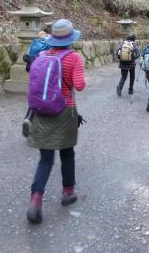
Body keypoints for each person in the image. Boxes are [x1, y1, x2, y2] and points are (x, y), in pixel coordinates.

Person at [26, 19, 86, 223]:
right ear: (70, 39)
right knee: (67, 153)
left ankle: (35, 200)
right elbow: (79, 85)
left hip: (42, 111)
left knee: (45, 159)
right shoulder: (73, 58)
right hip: (65, 110)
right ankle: (68, 192)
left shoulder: (41, 55)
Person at [22, 29, 52, 137]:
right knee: (46, 99)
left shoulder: (34, 44)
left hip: (34, 74)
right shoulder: (50, 44)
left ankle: (28, 118)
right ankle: (43, 126)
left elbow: (28, 60)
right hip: (47, 75)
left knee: (35, 98)